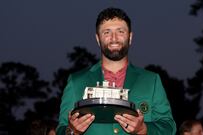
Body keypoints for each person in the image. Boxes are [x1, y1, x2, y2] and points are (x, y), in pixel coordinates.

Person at [56, 7, 176, 135]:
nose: (114, 38)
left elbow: (169, 127)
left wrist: (144, 129)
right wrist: (72, 131)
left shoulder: (151, 80)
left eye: (120, 31)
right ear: (98, 39)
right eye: (106, 32)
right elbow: (61, 129)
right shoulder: (76, 81)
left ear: (130, 37)